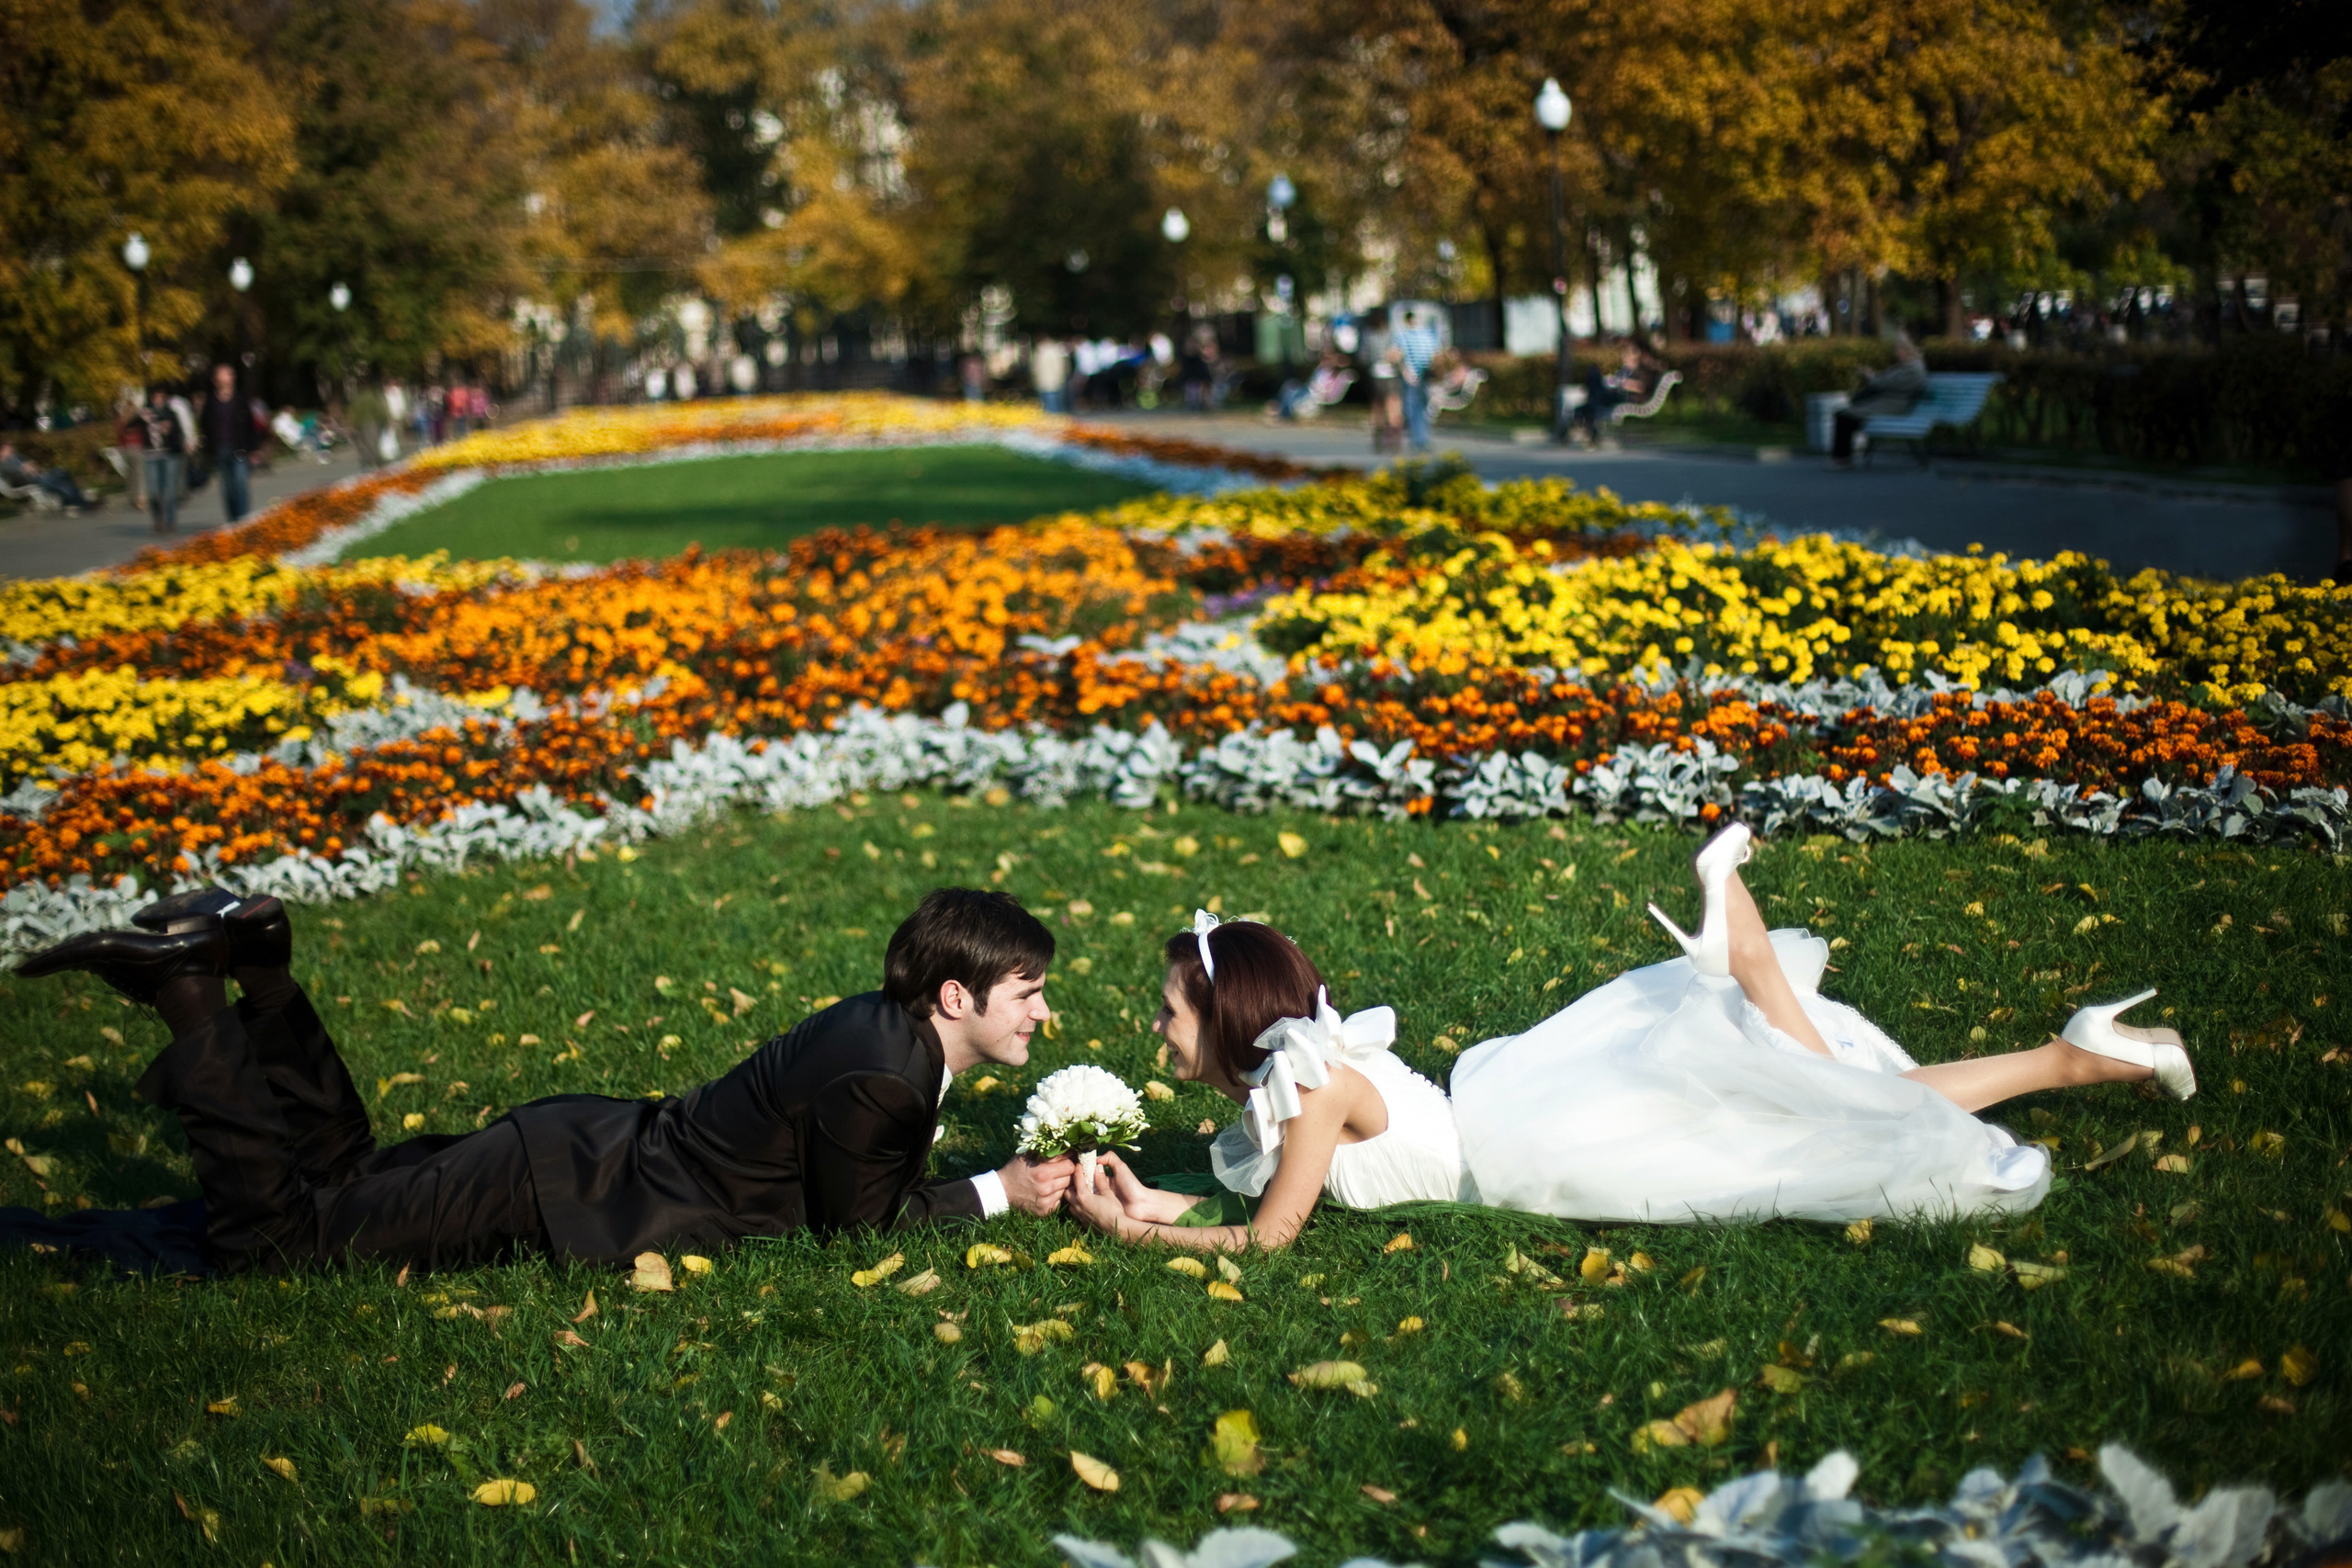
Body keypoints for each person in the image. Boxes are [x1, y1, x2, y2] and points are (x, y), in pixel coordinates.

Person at [1063, 824, 2195, 1252]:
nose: (1155, 1026)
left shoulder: (1311, 1086)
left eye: (1169, 1007)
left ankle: (1749, 960)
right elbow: (1247, 1204)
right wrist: (1138, 1198)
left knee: (1813, 1129)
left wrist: (1134, 1241)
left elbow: (1271, 1240)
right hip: (1518, 1113)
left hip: (1532, 1147)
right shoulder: (1291, 1080)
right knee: (1810, 1100)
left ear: (1225, 1014)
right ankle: (2074, 1054)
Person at [13, 887, 1078, 1274]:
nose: (1042, 1012)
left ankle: (262, 967)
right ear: (952, 996)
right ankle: (192, 995)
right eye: (1026, 991)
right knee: (281, 1247)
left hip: (575, 1152)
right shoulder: (887, 1078)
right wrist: (1000, 1190)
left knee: (346, 1176)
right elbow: (862, 1230)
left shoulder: (883, 1032)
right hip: (572, 1189)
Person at [1829, 333, 1928, 468]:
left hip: (1893, 404)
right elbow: (1885, 382)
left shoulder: (1913, 370)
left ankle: (1842, 459)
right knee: (1844, 414)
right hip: (1887, 402)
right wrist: (1872, 376)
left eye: (1898, 349)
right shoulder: (1905, 366)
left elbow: (1884, 384)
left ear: (1907, 349)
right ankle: (1842, 458)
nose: (1896, 352)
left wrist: (1871, 376)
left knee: (1845, 416)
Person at [198, 365, 265, 524]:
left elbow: (250, 425)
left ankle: (243, 520)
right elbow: (204, 425)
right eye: (225, 374)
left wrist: (254, 450)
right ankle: (233, 520)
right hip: (221, 449)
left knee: (241, 483)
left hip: (239, 448)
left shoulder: (240, 399)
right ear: (216, 380)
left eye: (231, 374)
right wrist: (207, 447)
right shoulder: (211, 401)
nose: (229, 377)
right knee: (227, 488)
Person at [137, 385, 191, 534]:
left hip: (169, 455)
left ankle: (170, 522)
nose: (159, 399)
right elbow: (129, 424)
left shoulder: (170, 413)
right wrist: (142, 417)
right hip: (152, 456)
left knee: (170, 492)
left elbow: (178, 433)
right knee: (154, 492)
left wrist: (169, 429)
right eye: (156, 396)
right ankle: (157, 517)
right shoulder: (145, 413)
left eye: (162, 396)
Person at [1394, 308, 1442, 451]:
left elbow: (1435, 356)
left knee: (1418, 406)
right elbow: (1436, 355)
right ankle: (1420, 438)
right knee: (1417, 406)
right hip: (1415, 375)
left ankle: (1420, 437)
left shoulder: (1423, 335)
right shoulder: (1416, 335)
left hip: (1419, 375)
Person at [0, 442, 92, 511]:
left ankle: (70, 501)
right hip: (32, 483)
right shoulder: (6, 463)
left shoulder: (15, 458)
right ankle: (81, 503)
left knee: (61, 472)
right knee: (54, 480)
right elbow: (28, 469)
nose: (13, 450)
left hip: (38, 476)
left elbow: (32, 468)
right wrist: (29, 468)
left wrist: (31, 468)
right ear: (2, 451)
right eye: (10, 449)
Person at [348, 378, 392, 470]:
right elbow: (378, 410)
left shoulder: (357, 398)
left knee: (364, 445)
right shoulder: (372, 397)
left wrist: (352, 425)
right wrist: (384, 421)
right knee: (373, 444)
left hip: (359, 424)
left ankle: (367, 463)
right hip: (371, 423)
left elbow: (352, 413)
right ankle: (377, 463)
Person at [1031, 337, 1070, 413]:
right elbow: (1063, 367)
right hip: (1056, 380)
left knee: (1048, 406)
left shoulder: (1040, 352)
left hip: (1044, 381)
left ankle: (1052, 421)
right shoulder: (1057, 351)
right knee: (1058, 404)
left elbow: (1035, 368)